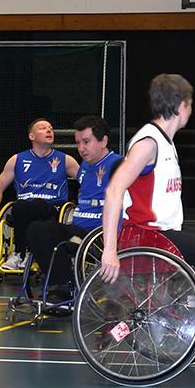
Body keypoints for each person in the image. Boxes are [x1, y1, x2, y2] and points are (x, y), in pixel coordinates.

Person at [96, 74, 195, 359]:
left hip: (164, 235)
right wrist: (109, 249)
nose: (191, 109)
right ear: (180, 106)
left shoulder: (166, 142)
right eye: (190, 104)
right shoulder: (148, 143)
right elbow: (114, 190)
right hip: (148, 236)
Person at [23, 116, 122, 298]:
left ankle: (64, 287)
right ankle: (63, 284)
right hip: (79, 231)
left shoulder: (119, 165)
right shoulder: (84, 166)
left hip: (100, 236)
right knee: (36, 230)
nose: (81, 148)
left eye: (86, 142)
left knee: (54, 238)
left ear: (103, 141)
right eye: (78, 143)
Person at [0, 118, 79, 271]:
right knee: (20, 205)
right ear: (32, 136)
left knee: (36, 204)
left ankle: (32, 250)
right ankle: (19, 253)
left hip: (53, 207)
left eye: (50, 128)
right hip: (23, 208)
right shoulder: (17, 160)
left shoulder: (65, 160)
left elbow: (86, 182)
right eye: (43, 128)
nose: (49, 130)